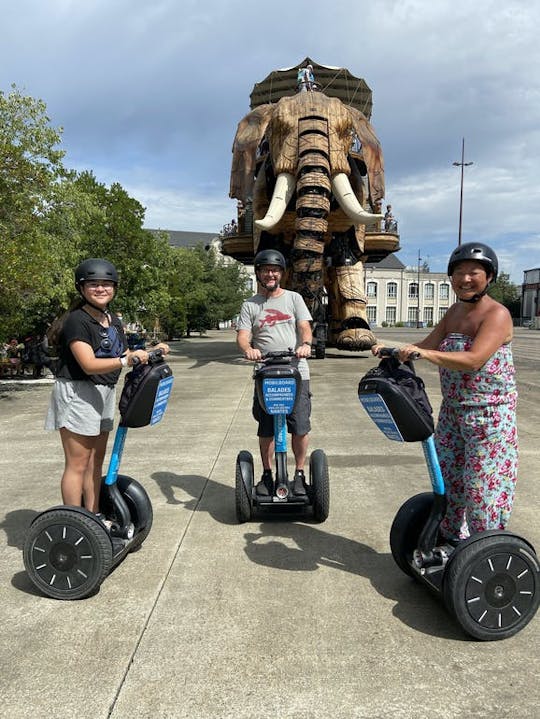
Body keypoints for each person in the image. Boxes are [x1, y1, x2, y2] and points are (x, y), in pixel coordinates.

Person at [372, 242, 517, 543]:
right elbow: (425, 345)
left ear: (489, 276)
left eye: (473, 272)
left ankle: (486, 550)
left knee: (482, 492)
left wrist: (424, 355)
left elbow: (474, 359)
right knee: (448, 483)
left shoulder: (497, 314)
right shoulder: (454, 312)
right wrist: (392, 350)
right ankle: (450, 541)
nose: (465, 279)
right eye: (458, 273)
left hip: (488, 418)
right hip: (452, 413)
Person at [45, 258, 170, 520]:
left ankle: (94, 516)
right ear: (82, 288)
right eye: (93, 284)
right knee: (77, 463)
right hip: (78, 393)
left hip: (103, 392)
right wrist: (126, 360)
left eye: (106, 284)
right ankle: (75, 521)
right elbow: (89, 364)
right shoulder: (76, 321)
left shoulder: (111, 319)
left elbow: (122, 353)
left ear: (114, 287)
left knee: (95, 461)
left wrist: (148, 353)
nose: (100, 289)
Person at [236, 249, 313, 496]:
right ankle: (267, 474)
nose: (271, 274)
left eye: (275, 270)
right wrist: (248, 349)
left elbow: (304, 326)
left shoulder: (293, 298)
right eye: (266, 270)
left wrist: (305, 345)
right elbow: (243, 336)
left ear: (281, 273)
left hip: (296, 370)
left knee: (300, 426)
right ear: (258, 273)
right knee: (266, 428)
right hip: (265, 372)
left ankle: (299, 474)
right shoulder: (250, 305)